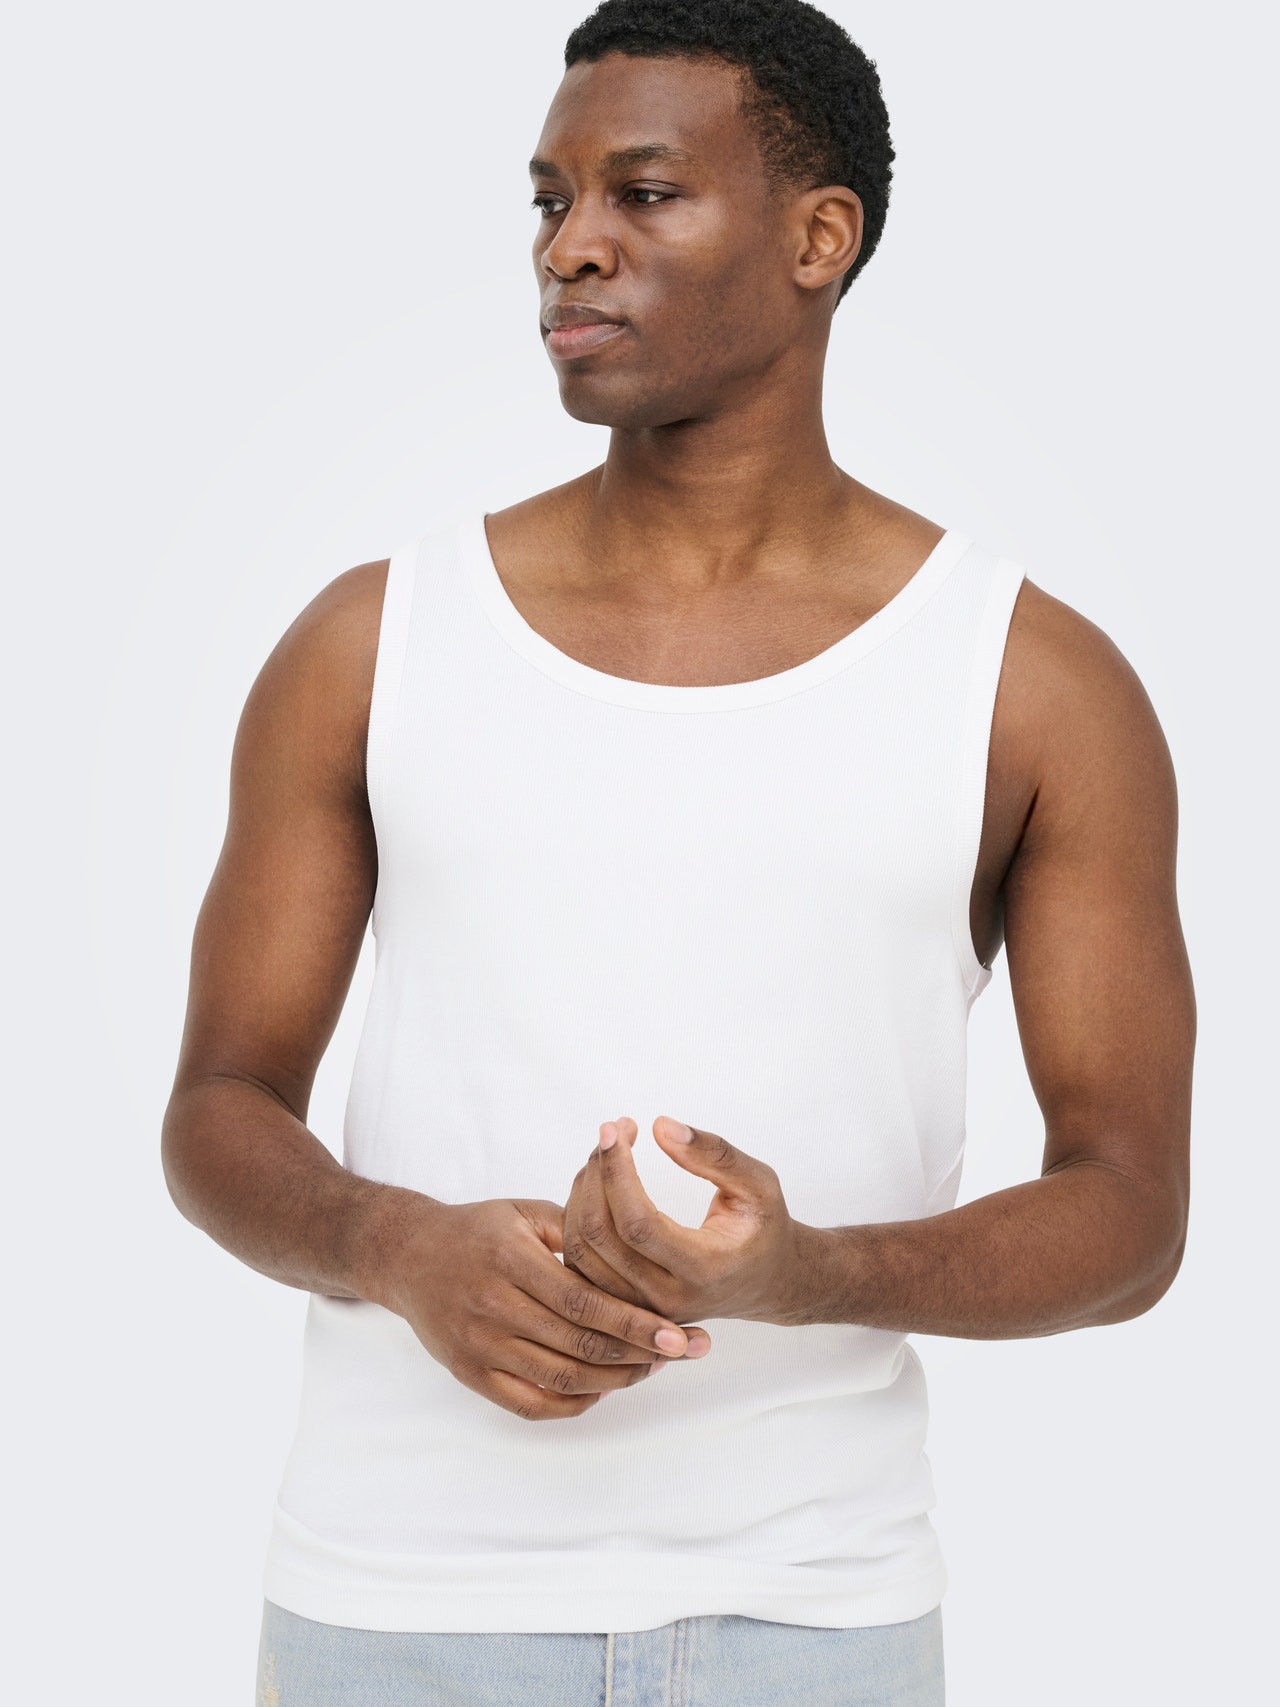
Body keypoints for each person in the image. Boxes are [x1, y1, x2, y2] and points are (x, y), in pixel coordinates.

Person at [161, 2, 1195, 1702]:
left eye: (642, 194)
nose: (570, 247)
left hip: (815, 1616)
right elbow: (217, 1107)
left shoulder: (1032, 685)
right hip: (395, 1602)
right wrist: (394, 1246)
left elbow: (1131, 1211)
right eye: (550, 199)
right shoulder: (371, 642)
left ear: (817, 238)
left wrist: (810, 1274)